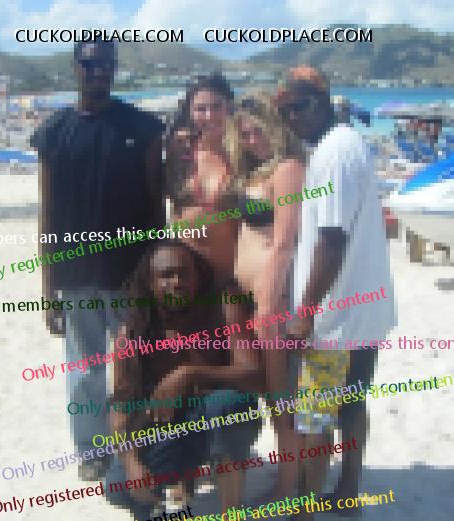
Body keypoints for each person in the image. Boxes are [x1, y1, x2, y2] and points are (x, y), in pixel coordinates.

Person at [31, 38, 164, 481]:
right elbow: (47, 213)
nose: (97, 72)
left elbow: (156, 207)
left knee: (136, 365)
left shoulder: (143, 128)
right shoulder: (54, 133)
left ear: (115, 69)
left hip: (130, 274)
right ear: (75, 69)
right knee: (85, 372)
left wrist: (154, 275)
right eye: (89, 65)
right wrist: (48, 289)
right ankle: (91, 449)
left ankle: (138, 444)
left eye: (105, 64)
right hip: (77, 275)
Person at [276, 66, 396, 516]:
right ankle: (347, 491)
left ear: (324, 100)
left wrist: (305, 312)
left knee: (314, 416)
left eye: (300, 106)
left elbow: (330, 238)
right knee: (352, 403)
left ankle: (305, 507)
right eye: (285, 111)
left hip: (334, 318)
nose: (293, 118)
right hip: (361, 310)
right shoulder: (349, 143)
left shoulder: (333, 152)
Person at [105, 241, 264, 520]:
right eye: (166, 275)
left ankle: (231, 511)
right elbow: (120, 407)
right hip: (169, 425)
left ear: (197, 276)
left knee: (230, 406)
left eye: (183, 273)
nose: (177, 282)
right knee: (119, 486)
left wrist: (190, 373)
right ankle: (156, 501)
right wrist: (131, 462)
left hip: (216, 414)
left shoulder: (222, 305)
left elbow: (254, 375)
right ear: (150, 284)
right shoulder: (134, 332)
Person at [226, 93, 307, 500]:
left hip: (271, 301)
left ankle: (288, 487)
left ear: (276, 128)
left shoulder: (289, 169)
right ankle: (286, 477)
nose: (253, 140)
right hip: (248, 296)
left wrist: (268, 303)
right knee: (267, 392)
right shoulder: (255, 171)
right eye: (245, 134)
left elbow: (284, 242)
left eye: (259, 131)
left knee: (281, 398)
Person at [166, 73, 237, 286]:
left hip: (229, 282)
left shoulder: (244, 156)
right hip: (185, 283)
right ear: (189, 112)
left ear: (229, 107)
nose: (209, 116)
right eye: (200, 109)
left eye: (216, 107)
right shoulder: (178, 154)